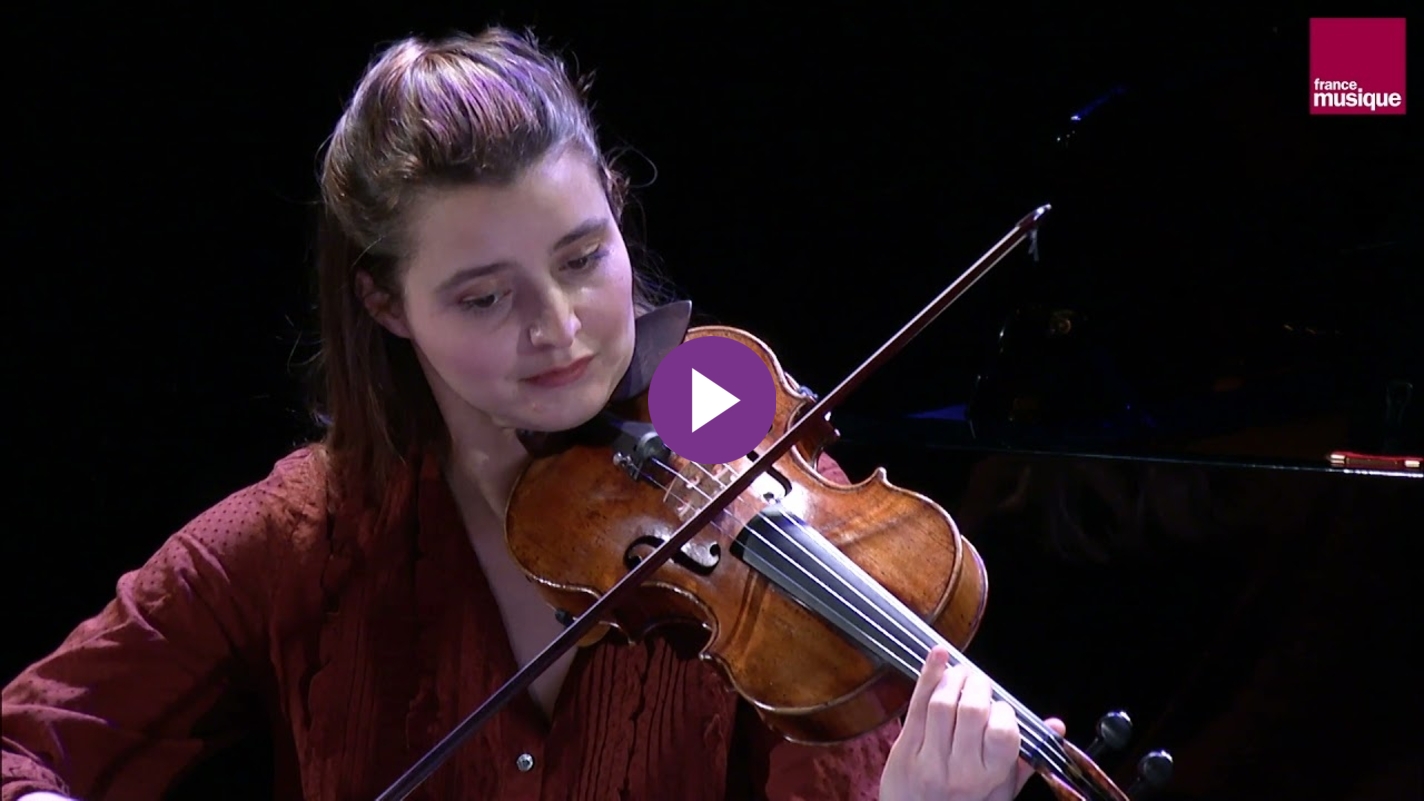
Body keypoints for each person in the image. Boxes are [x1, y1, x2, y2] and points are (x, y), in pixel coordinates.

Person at [1, 26, 1063, 801]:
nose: (559, 328)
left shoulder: (729, 436)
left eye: (582, 257)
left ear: (614, 208)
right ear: (385, 304)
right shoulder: (309, 535)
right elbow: (25, 744)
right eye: (483, 297)